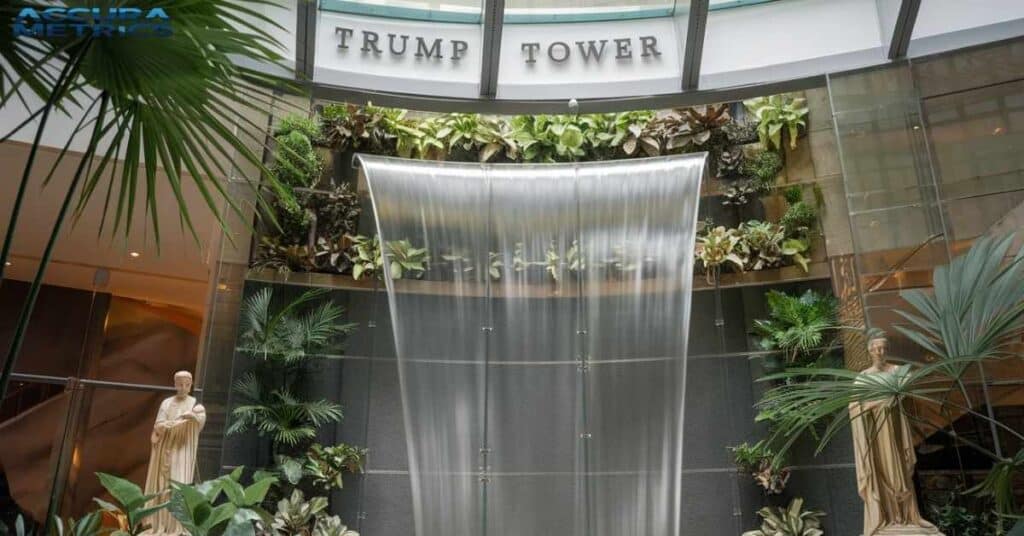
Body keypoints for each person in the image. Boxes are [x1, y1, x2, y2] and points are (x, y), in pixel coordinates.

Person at [849, 333, 941, 535]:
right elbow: (855, 407)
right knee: (881, 471)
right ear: (870, 350)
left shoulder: (898, 371)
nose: (880, 352)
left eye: (883, 348)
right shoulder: (863, 378)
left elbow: (907, 389)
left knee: (900, 472)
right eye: (876, 348)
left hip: (897, 431)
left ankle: (907, 516)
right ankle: (890, 517)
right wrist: (879, 402)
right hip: (876, 434)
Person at [142, 371, 206, 535]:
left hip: (182, 451)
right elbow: (158, 425)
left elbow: (199, 423)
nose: (183, 387)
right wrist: (165, 426)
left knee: (178, 486)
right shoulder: (167, 403)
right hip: (166, 448)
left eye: (187, 384)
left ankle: (176, 528)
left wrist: (193, 417)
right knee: (162, 486)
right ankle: (159, 525)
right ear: (175, 384)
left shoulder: (194, 404)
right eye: (180, 384)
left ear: (191, 385)